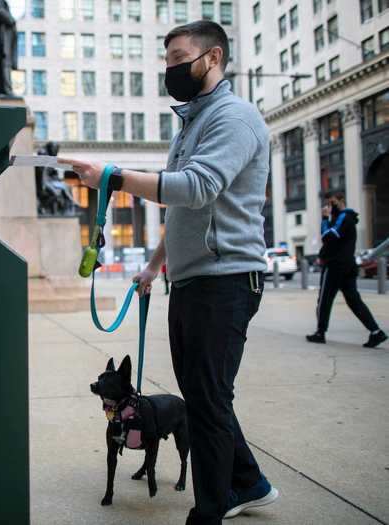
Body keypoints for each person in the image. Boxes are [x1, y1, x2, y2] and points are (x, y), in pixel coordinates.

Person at [61, 20, 278, 525]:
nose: (171, 69)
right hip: (191, 281)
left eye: (179, 58)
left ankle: (212, 507)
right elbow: (185, 210)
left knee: (207, 402)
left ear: (213, 58)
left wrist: (113, 175)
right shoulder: (193, 124)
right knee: (205, 396)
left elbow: (196, 187)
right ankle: (250, 484)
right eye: (167, 61)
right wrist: (154, 266)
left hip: (225, 280)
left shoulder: (235, 118)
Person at [306, 192, 387, 348]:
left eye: (332, 203)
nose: (330, 207)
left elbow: (328, 236)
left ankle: (320, 333)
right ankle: (376, 332)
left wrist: (324, 218)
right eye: (328, 204)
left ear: (341, 201)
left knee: (324, 300)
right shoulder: (343, 218)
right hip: (347, 265)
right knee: (353, 300)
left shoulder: (344, 217)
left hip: (336, 265)